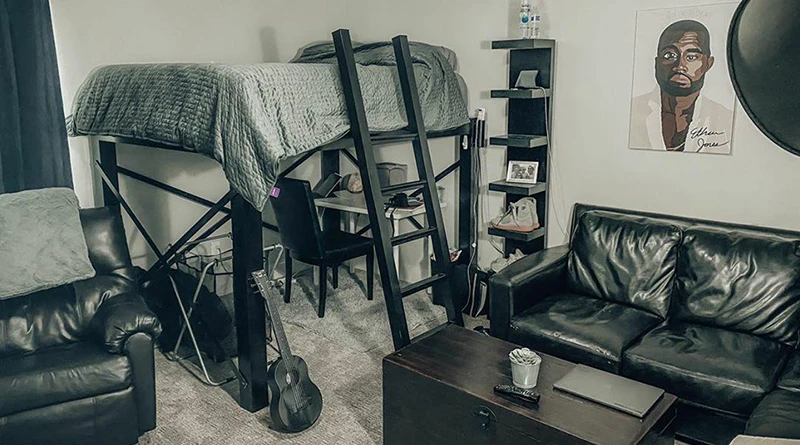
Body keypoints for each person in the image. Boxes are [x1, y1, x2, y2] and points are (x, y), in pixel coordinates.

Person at [629, 19, 734, 153]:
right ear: (657, 62)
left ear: (708, 63)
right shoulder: (632, 113)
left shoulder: (725, 119)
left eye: (691, 57)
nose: (680, 66)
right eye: (670, 55)